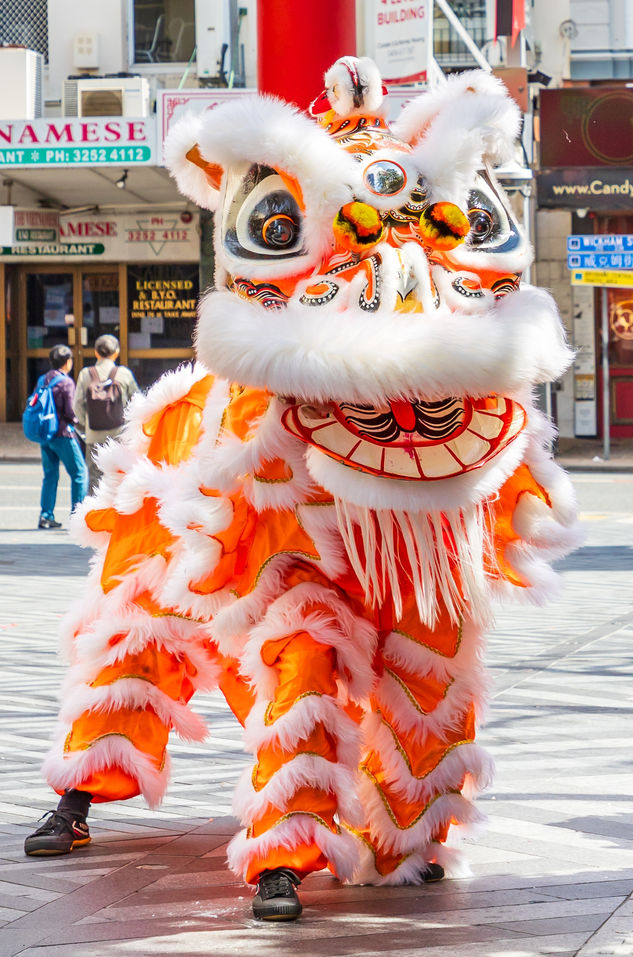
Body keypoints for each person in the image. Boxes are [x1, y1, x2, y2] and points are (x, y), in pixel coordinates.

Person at [23, 58, 579, 923]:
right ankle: (224, 828)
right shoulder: (244, 401)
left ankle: (407, 831)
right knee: (247, 638)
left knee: (437, 649)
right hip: (289, 521)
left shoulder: (461, 341)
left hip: (419, 509)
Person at [73, 334, 140, 493]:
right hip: (118, 436)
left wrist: (87, 423)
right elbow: (137, 402)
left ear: (96, 353)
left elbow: (77, 405)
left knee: (94, 481)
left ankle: (94, 508)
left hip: (93, 436)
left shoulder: (86, 374)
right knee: (119, 479)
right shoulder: (124, 373)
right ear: (116, 352)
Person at [35, 344, 87, 530]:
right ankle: (77, 516)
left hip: (45, 434)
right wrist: (79, 422)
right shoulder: (66, 382)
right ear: (67, 362)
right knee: (79, 473)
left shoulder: (43, 379)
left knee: (50, 476)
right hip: (63, 434)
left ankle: (46, 515)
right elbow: (71, 412)